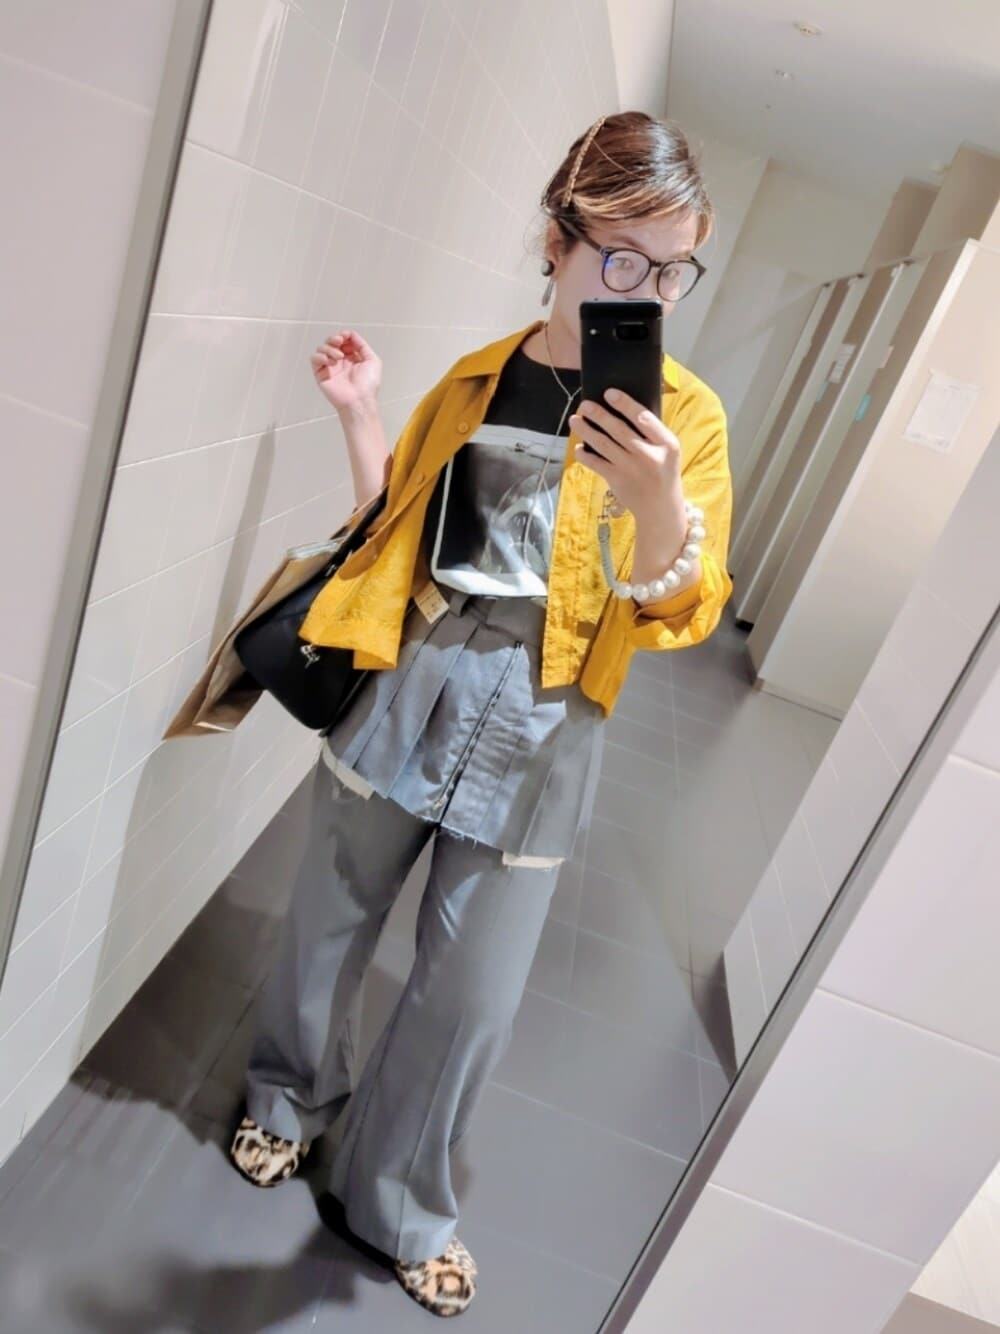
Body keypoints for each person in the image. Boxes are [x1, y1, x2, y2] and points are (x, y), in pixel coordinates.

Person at [228, 110, 734, 1318]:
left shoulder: (686, 418)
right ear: (557, 241)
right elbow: (392, 532)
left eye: (674, 270)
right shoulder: (474, 378)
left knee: (474, 990)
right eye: (623, 259)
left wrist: (656, 499)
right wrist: (362, 414)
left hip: (548, 715)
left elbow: (681, 608)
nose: (649, 294)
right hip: (416, 670)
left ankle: (400, 1202)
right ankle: (285, 1099)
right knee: (328, 914)